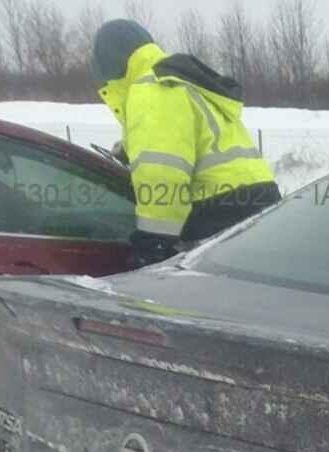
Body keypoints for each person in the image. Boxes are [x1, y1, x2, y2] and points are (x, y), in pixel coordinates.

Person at [91, 18, 281, 266]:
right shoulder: (175, 79)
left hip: (218, 214)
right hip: (259, 202)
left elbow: (162, 173)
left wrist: (153, 242)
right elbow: (184, 136)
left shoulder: (151, 90)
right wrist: (129, 151)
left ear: (107, 64)